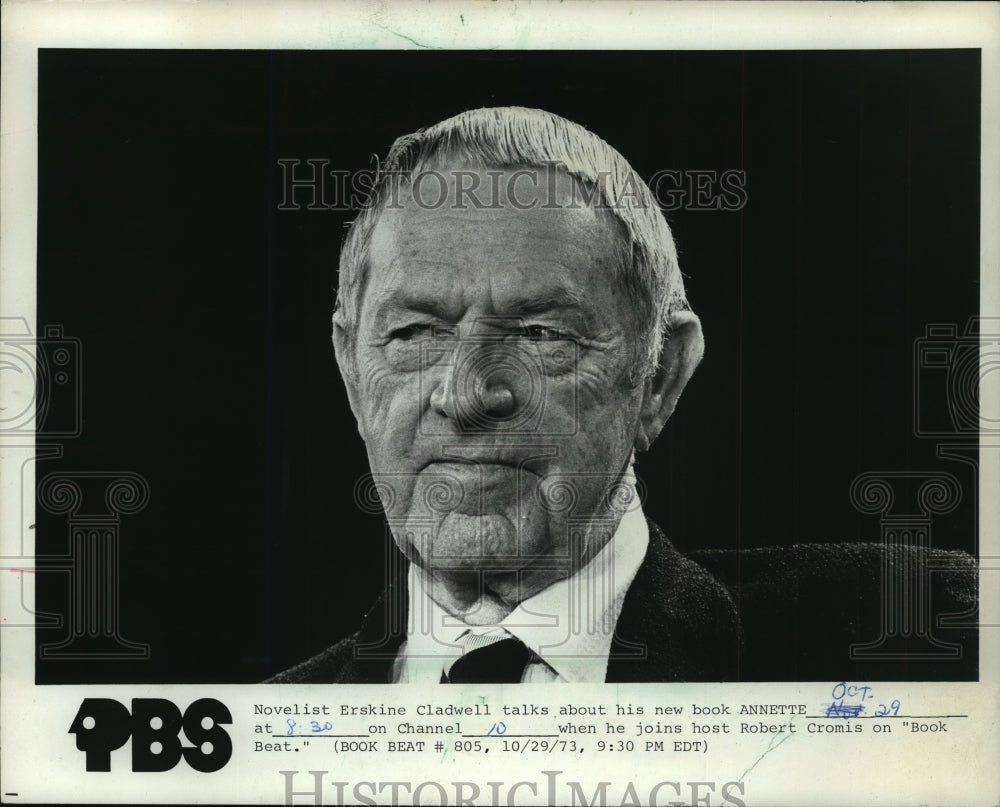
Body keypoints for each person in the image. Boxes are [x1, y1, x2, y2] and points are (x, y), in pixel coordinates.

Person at [269, 106, 976, 684]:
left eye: (541, 332)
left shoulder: (915, 628)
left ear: (661, 374)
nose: (467, 393)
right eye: (416, 332)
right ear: (352, 368)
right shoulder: (262, 731)